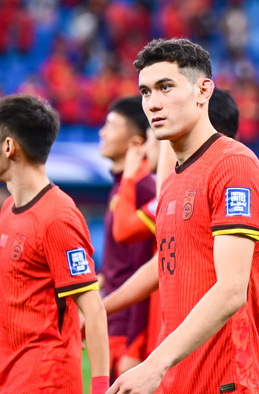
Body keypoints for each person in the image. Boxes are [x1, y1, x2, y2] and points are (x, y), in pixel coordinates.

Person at [107, 38, 259, 394]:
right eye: (146, 92)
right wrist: (98, 309)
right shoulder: (171, 182)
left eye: (166, 87)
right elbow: (166, 264)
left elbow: (232, 289)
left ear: (203, 90)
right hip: (181, 378)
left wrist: (155, 362)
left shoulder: (233, 165)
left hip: (229, 380)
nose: (153, 103)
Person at [101, 88, 241, 357]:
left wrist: (130, 178)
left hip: (198, 341)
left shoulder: (230, 172)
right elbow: (156, 263)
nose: (151, 145)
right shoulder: (176, 185)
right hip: (167, 332)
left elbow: (125, 232)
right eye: (145, 92)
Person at [0, 94, 109, 393]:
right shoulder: (8, 210)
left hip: (45, 381)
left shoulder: (58, 217)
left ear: (9, 147)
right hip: (11, 374)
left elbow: (94, 311)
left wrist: (100, 388)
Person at [98, 96, 156, 380]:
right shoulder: (122, 185)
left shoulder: (143, 189)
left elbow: (145, 270)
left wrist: (134, 345)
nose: (102, 132)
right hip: (113, 323)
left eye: (110, 125)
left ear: (135, 142)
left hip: (126, 332)